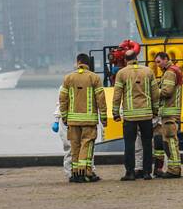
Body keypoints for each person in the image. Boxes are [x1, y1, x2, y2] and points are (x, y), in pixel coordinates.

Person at [58, 53, 107, 183]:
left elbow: (62, 99)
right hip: (89, 120)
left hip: (72, 120)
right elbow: (101, 99)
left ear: (77, 62)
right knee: (87, 145)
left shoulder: (68, 78)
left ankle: (74, 174)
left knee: (74, 146)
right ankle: (86, 173)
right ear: (88, 64)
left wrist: (64, 116)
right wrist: (103, 117)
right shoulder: (94, 78)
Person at [112, 49, 156, 181]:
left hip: (130, 116)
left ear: (125, 60)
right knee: (147, 144)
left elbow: (117, 95)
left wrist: (115, 112)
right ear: (137, 58)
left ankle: (130, 173)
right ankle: (147, 173)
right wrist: (155, 110)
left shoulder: (122, 73)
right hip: (146, 114)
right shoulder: (148, 71)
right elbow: (155, 93)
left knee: (129, 145)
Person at [153, 51, 183, 179]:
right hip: (171, 112)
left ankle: (174, 169)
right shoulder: (173, 70)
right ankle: (172, 168)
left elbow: (167, 91)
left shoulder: (170, 72)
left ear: (166, 59)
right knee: (169, 141)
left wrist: (153, 91)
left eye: (159, 62)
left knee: (170, 141)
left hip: (169, 113)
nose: (157, 65)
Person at [52, 104, 101, 180]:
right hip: (74, 119)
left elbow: (62, 100)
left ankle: (83, 172)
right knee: (82, 147)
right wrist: (57, 119)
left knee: (79, 147)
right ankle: (75, 173)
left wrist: (57, 119)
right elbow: (61, 101)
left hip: (73, 118)